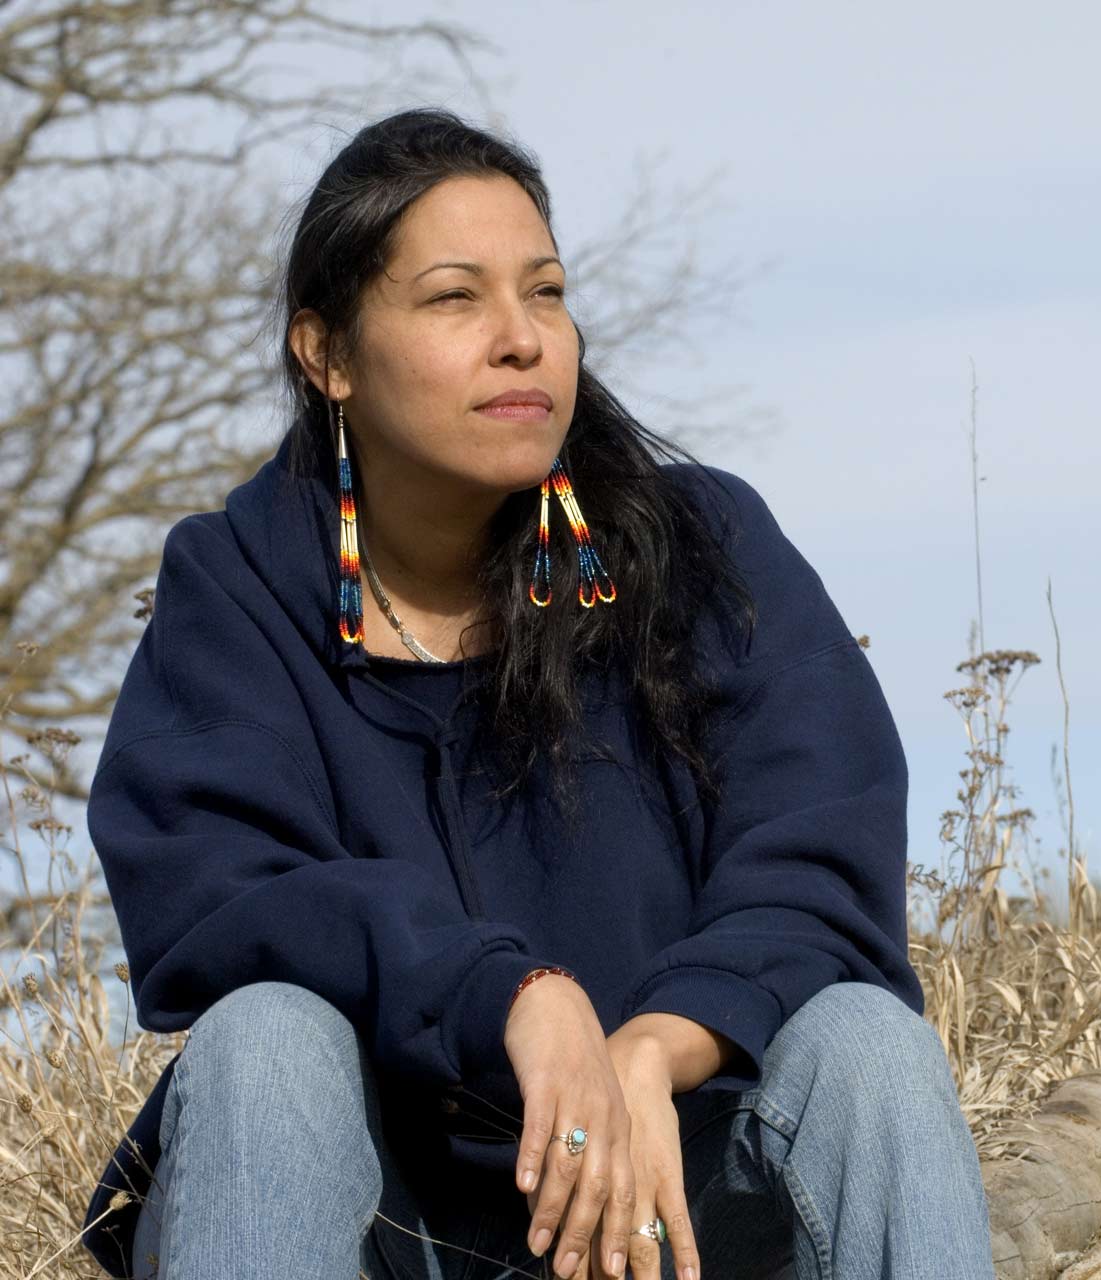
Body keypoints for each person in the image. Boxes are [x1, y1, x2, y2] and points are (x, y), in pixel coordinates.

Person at [76, 106, 995, 1280]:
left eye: (547, 292)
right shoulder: (239, 585)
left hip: (683, 1199)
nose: (523, 339)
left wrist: (655, 1048)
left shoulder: (700, 548)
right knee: (264, 1040)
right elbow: (216, 893)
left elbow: (822, 858)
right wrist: (512, 994)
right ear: (329, 353)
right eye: (456, 298)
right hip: (382, 1217)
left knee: (870, 1045)